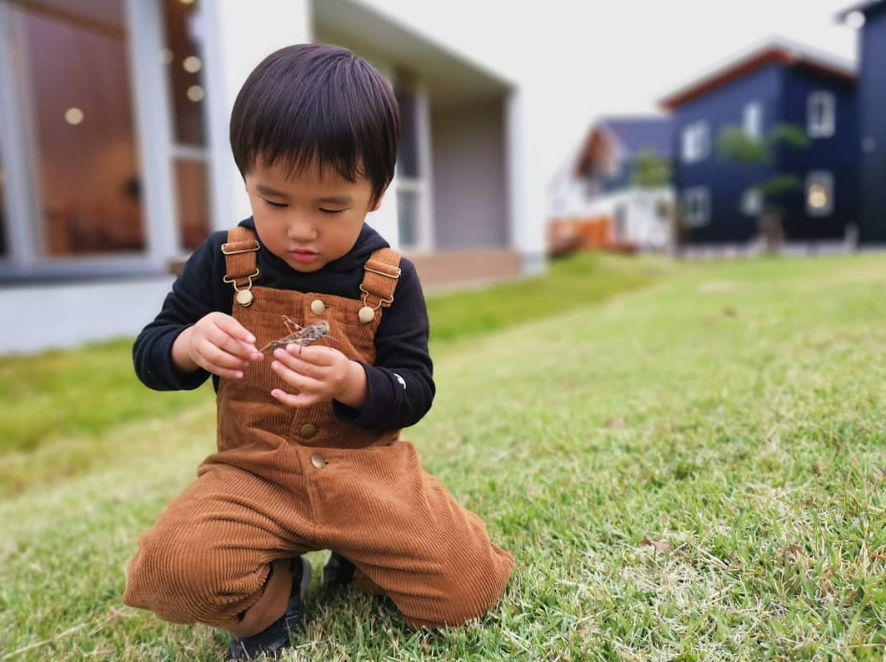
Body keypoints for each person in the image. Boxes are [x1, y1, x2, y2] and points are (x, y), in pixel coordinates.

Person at [122, 43, 515, 661]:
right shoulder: (225, 264)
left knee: (471, 589)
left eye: (332, 207)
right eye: (273, 201)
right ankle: (277, 587)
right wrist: (187, 344)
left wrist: (356, 383)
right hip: (254, 474)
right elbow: (150, 352)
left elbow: (416, 387)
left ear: (377, 193)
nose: (300, 229)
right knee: (173, 570)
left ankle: (361, 557)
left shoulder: (391, 278)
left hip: (366, 475)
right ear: (246, 176)